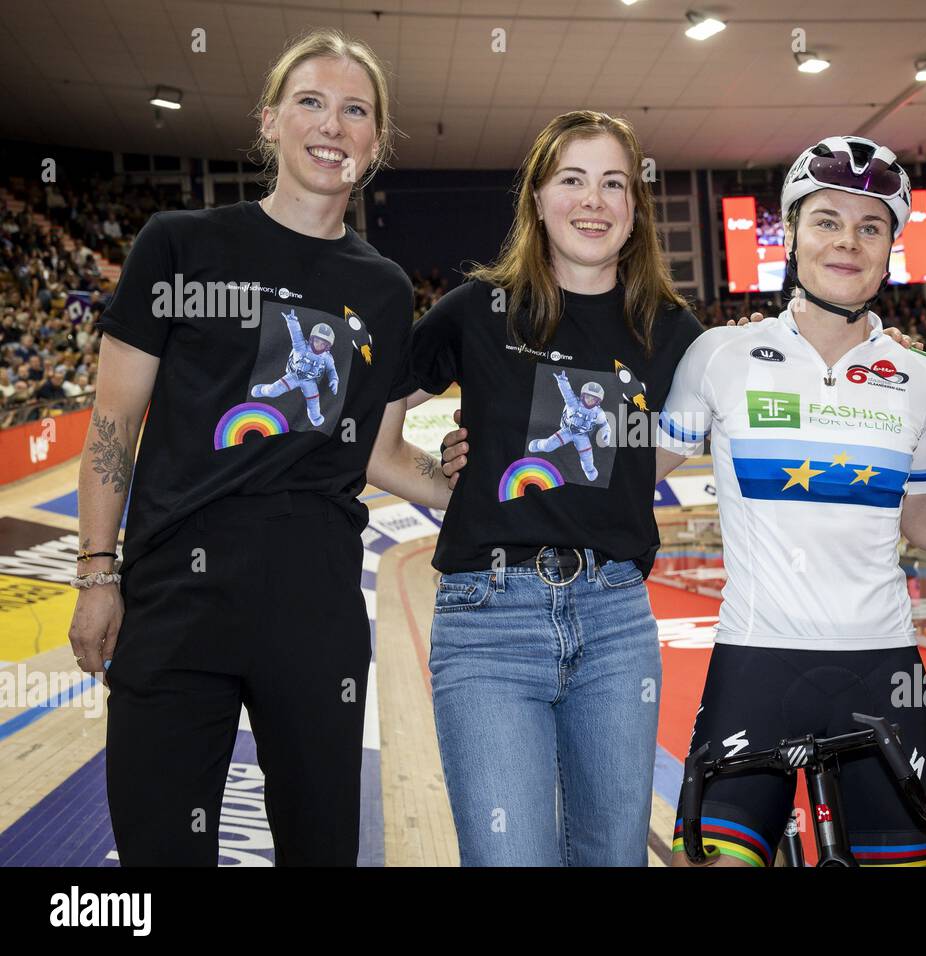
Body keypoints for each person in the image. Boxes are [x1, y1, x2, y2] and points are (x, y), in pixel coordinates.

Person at [67, 28, 462, 867]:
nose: (332, 124)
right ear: (270, 122)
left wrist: (480, 488)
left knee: (320, 851)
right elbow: (112, 427)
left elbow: (380, 454)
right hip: (176, 600)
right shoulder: (179, 245)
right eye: (311, 103)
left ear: (376, 142)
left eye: (355, 110)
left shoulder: (385, 289)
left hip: (314, 608)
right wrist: (98, 572)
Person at [398, 111, 703, 866]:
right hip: (487, 622)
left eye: (614, 184)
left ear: (635, 208)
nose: (593, 200)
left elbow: (660, 452)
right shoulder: (477, 308)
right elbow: (363, 435)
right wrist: (449, 487)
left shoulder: (671, 329)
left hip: (615, 624)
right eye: (572, 179)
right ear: (537, 197)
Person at [658, 136, 926, 867]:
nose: (848, 241)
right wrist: (504, 455)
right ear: (791, 236)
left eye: (870, 226)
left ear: (891, 250)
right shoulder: (720, 354)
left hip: (883, 670)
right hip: (755, 663)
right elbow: (626, 476)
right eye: (827, 220)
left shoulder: (920, 377)